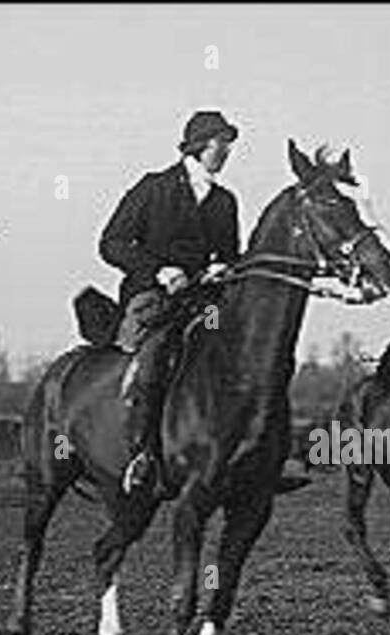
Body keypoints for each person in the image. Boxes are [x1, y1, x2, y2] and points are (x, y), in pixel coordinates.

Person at [99, 109, 241, 496]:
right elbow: (111, 243)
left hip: (206, 304)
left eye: (228, 144)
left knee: (240, 355)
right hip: (153, 298)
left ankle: (247, 457)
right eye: (220, 143)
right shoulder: (153, 188)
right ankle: (141, 455)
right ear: (199, 146)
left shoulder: (225, 201)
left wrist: (224, 269)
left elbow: (231, 254)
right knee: (154, 360)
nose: (225, 151)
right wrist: (161, 270)